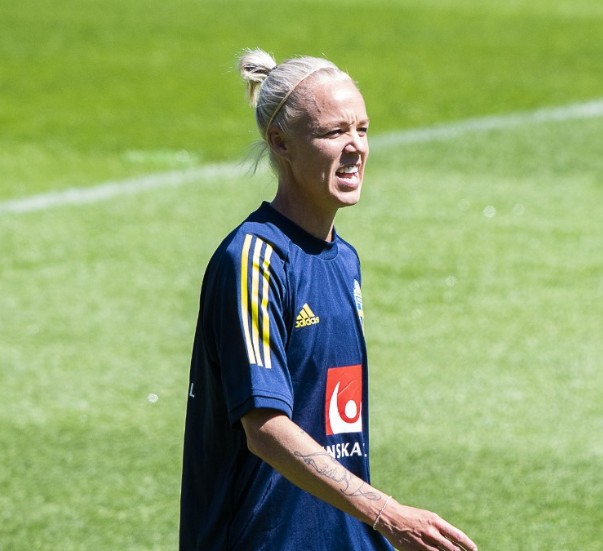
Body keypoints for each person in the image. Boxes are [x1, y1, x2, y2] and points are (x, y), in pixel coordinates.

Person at [179, 49, 478, 551]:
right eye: (334, 132)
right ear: (281, 143)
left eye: (362, 129)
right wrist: (387, 514)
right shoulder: (255, 259)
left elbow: (336, 426)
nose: (355, 147)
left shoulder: (344, 260)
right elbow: (265, 428)